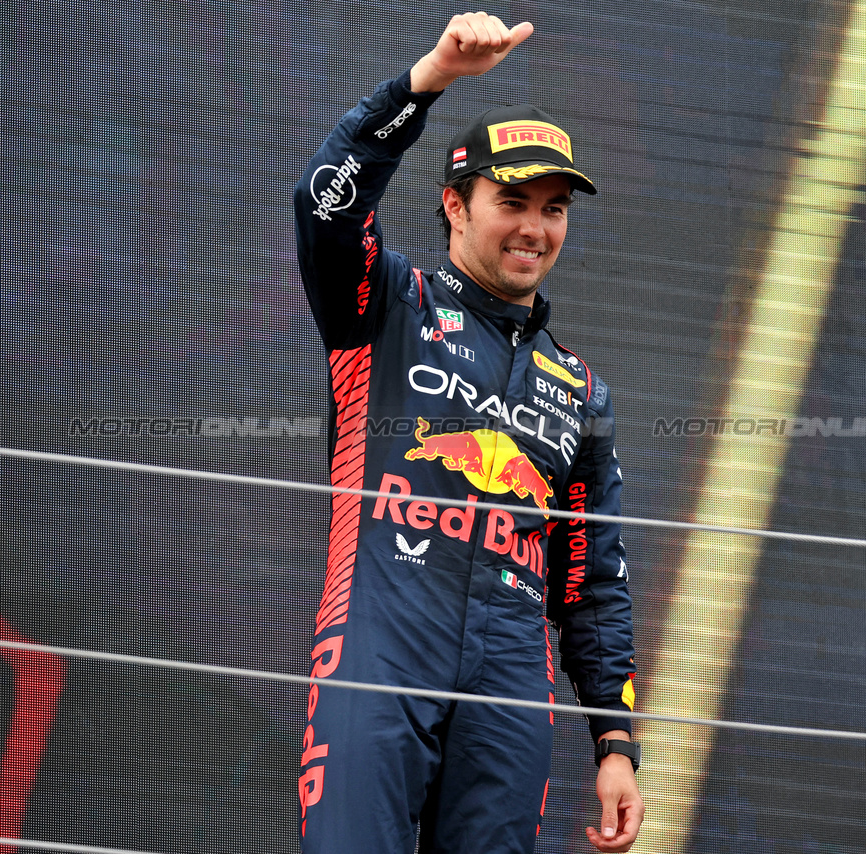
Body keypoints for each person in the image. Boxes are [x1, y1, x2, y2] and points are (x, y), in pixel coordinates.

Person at [292, 13, 643, 854]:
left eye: (553, 209)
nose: (534, 227)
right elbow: (327, 199)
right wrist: (428, 80)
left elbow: (594, 584)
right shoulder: (389, 301)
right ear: (455, 204)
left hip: (514, 684)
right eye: (511, 202)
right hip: (379, 647)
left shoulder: (581, 387)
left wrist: (617, 744)